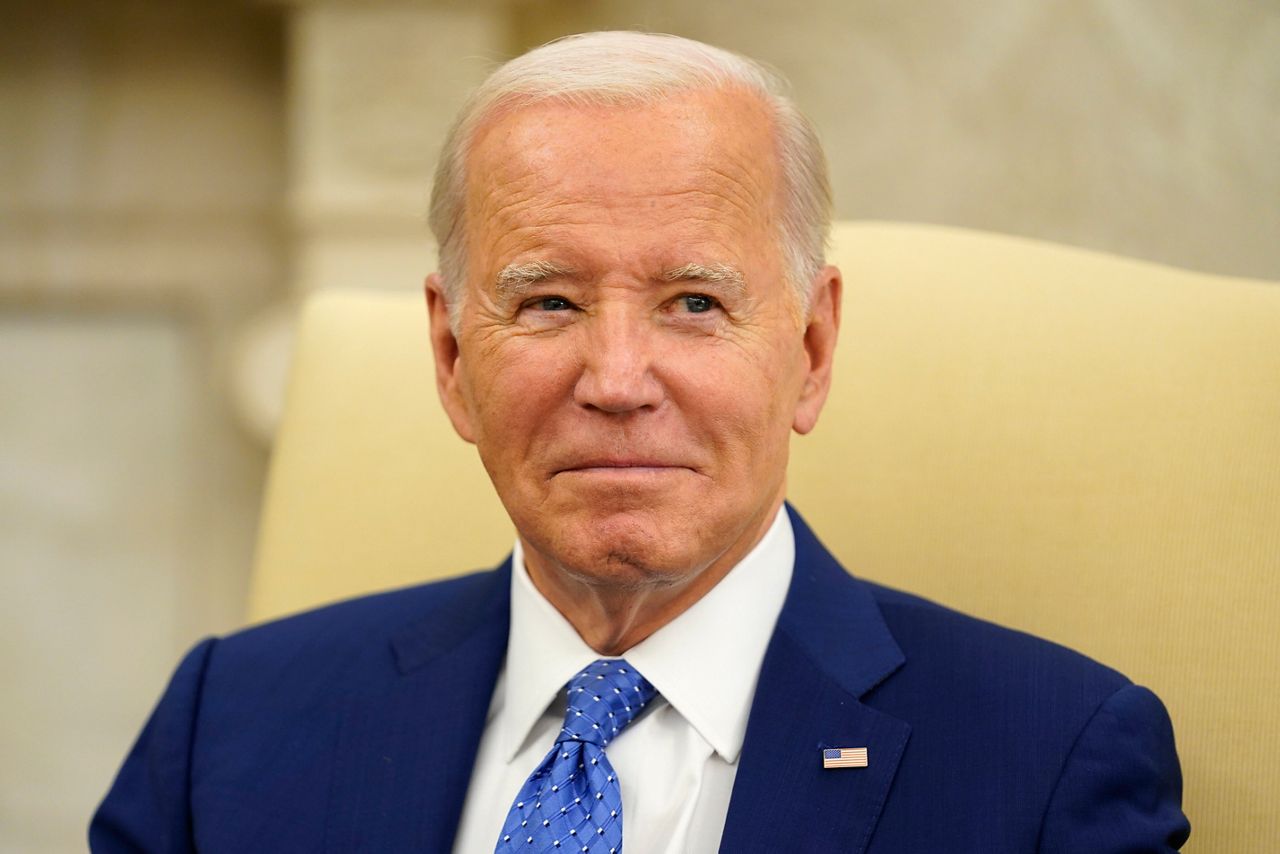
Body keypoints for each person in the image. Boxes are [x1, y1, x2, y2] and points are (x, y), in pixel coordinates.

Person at [91, 31, 1189, 853]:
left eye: (695, 303)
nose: (615, 381)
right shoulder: (227, 729)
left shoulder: (1048, 762)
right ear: (448, 356)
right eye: (549, 303)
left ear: (808, 348)